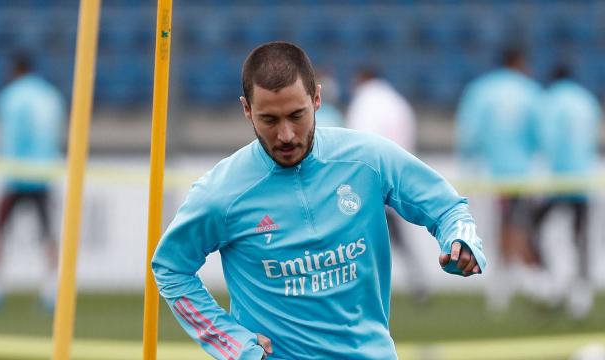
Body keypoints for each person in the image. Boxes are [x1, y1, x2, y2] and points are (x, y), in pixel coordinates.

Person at [153, 41, 486, 360]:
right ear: (247, 110)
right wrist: (231, 342)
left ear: (316, 99)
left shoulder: (367, 159)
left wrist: (461, 240)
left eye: (296, 115)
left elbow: (447, 207)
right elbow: (171, 267)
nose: (285, 135)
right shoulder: (221, 192)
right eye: (269, 120)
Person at [0, 54, 65, 312]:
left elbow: (11, 136)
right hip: (43, 174)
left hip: (15, 175)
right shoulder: (51, 96)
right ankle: (52, 292)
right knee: (47, 237)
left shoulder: (10, 96)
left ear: (15, 70)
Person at [455, 46, 541, 310]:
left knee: (499, 229)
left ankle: (505, 284)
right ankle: (513, 284)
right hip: (517, 174)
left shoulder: (481, 90)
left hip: (487, 175)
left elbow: (468, 134)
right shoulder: (531, 91)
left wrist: (470, 164)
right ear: (518, 62)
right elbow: (540, 135)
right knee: (515, 228)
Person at [346, 68, 428, 301]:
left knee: (360, 238)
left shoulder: (364, 102)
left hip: (369, 181)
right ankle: (418, 280)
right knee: (395, 236)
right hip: (397, 177)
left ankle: (363, 288)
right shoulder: (398, 102)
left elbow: (357, 142)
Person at [531, 65, 601, 319]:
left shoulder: (549, 101)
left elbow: (544, 141)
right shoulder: (586, 100)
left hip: (559, 180)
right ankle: (581, 297)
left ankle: (550, 285)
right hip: (582, 180)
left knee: (534, 229)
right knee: (580, 238)